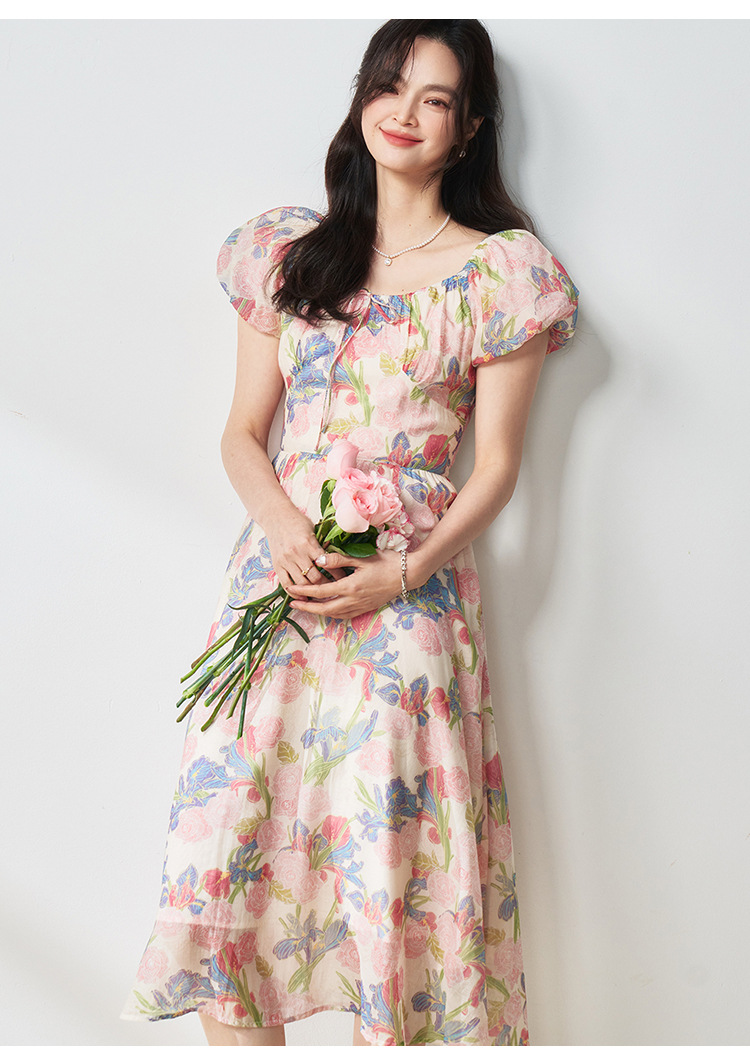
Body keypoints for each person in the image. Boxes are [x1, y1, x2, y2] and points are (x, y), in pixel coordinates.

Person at [120, 18, 578, 1048]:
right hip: (276, 587)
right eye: (389, 86)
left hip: (406, 598)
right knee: (229, 844)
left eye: (435, 99)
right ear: (361, 97)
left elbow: (496, 470)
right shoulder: (290, 253)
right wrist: (283, 526)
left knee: (387, 855)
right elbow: (243, 434)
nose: (404, 113)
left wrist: (401, 573)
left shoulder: (501, 274)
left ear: (469, 128)